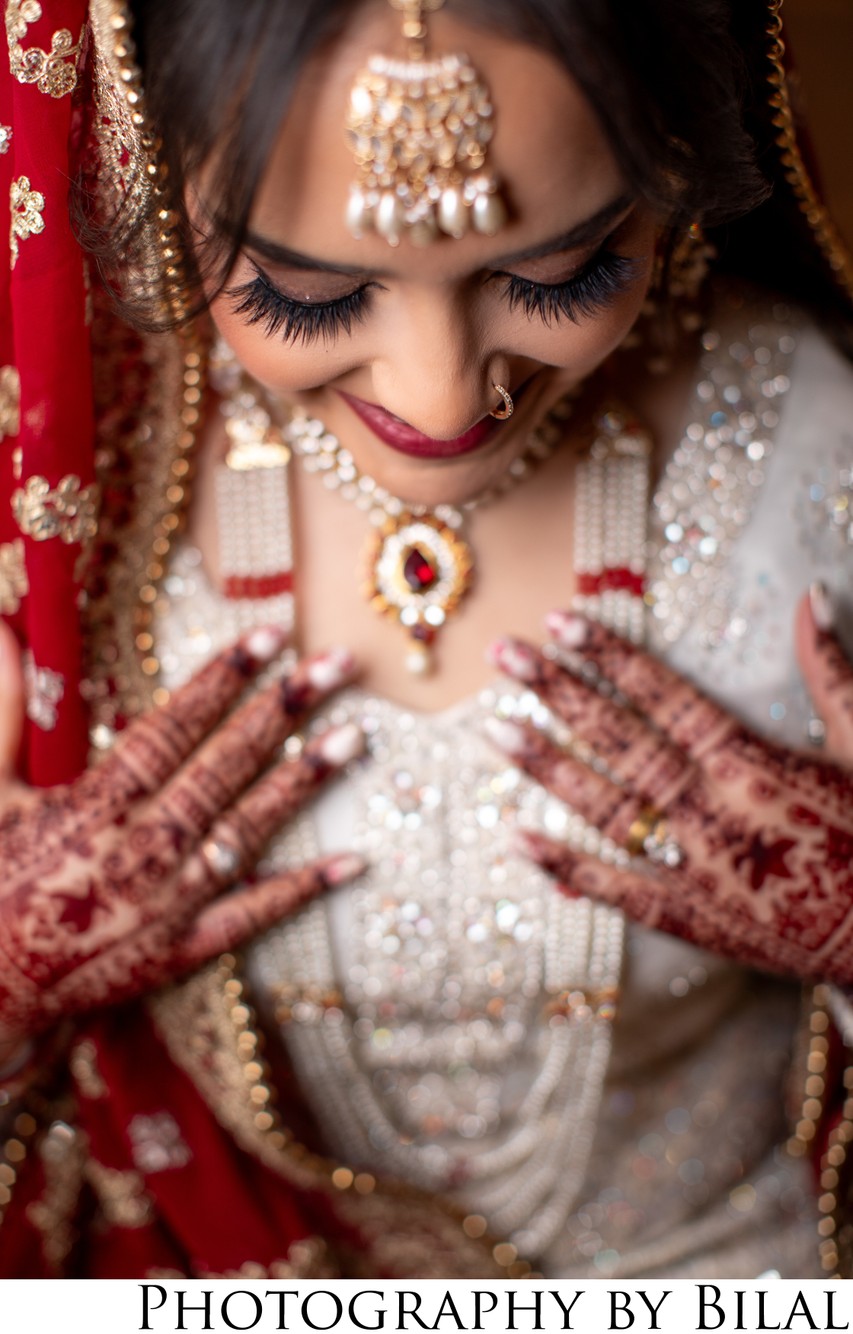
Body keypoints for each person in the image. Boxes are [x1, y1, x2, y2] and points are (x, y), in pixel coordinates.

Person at [0, 0, 852, 1280]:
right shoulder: (62, 508)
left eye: (564, 272)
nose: (443, 395)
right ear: (148, 170)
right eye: (304, 290)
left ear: (672, 167)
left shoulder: (813, 454)